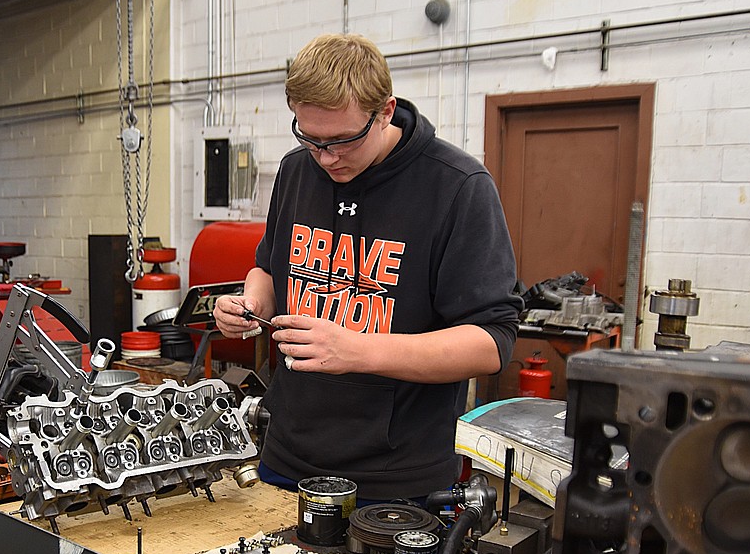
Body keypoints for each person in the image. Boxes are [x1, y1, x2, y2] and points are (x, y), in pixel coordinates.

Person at [213, 33, 521, 503]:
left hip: (397, 481)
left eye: (341, 140)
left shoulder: (458, 187)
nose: (326, 157)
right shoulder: (298, 170)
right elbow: (268, 269)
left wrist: (358, 351)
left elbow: (490, 343)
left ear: (384, 111)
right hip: (287, 457)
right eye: (310, 137)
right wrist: (250, 301)